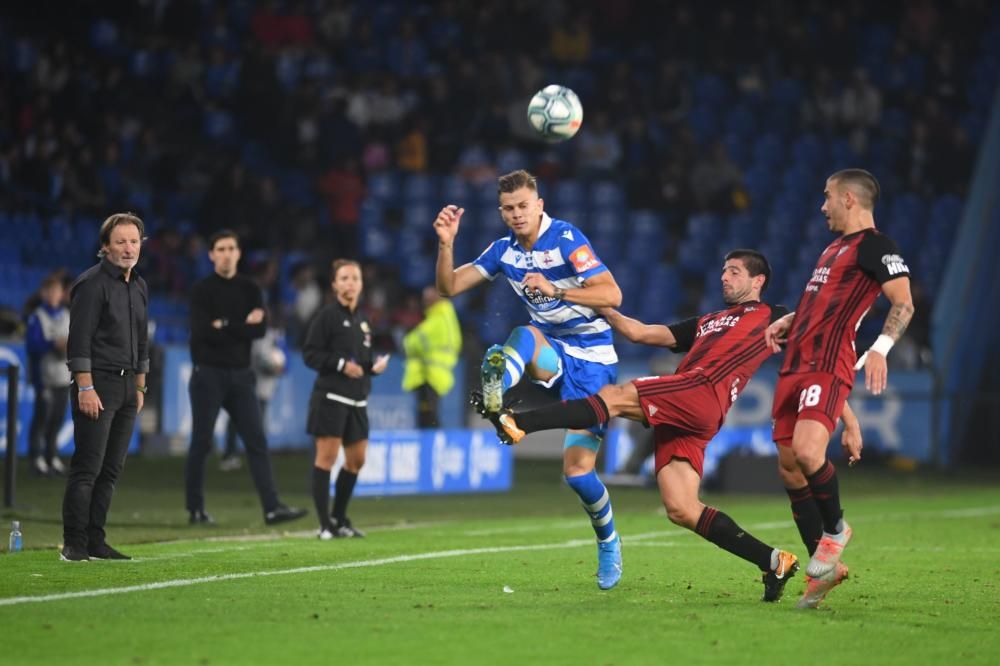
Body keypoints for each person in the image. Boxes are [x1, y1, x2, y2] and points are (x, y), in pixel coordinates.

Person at [485, 250, 808, 602]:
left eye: (733, 271)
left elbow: (811, 321)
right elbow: (639, 332)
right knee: (681, 507)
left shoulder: (772, 315)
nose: (724, 277)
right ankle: (773, 560)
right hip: (691, 410)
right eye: (723, 271)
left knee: (614, 395)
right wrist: (600, 306)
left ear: (758, 281)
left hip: (702, 389)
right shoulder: (708, 321)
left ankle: (518, 423)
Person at [435, 169, 625, 590]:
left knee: (577, 474)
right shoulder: (504, 251)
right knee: (525, 334)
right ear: (501, 213)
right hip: (550, 348)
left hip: (593, 359)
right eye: (509, 209)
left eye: (524, 206)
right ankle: (497, 393)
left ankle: (608, 540)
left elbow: (612, 295)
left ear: (539, 205)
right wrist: (446, 245)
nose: (517, 214)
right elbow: (448, 286)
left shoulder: (567, 240)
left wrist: (558, 291)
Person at [765, 169, 914, 609]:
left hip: (827, 364)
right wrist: (791, 319)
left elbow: (903, 302)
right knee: (791, 467)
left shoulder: (876, 245)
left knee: (810, 454)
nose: (822, 205)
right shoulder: (833, 248)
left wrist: (882, 348)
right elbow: (823, 306)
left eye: (827, 197)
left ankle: (835, 532)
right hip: (795, 366)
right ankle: (824, 571)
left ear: (849, 198)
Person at [186, 230, 306, 526]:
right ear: (212, 254)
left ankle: (272, 508)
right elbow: (202, 332)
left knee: (257, 441)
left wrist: (224, 325)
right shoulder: (202, 290)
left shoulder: (250, 289)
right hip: (208, 374)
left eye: (231, 248)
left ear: (238, 254)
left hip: (241, 375)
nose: (226, 253)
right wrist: (240, 325)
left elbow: (260, 331)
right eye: (221, 248)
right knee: (202, 442)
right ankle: (196, 509)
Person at [61, 212, 149, 561]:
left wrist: (140, 388)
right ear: (105, 248)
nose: (129, 248)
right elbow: (78, 341)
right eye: (121, 242)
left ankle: (96, 540)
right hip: (99, 384)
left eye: (134, 241)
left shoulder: (140, 285)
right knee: (88, 468)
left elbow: (141, 341)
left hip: (128, 389)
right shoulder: (92, 284)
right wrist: (85, 387)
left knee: (111, 470)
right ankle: (74, 544)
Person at [303, 259, 390, 539]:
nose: (350, 283)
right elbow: (310, 354)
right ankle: (324, 524)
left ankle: (339, 518)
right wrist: (341, 365)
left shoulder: (363, 321)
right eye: (344, 278)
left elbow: (360, 363)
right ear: (334, 285)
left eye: (355, 278)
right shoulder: (327, 316)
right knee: (326, 458)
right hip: (330, 397)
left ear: (361, 284)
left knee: (356, 460)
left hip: (357, 399)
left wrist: (371, 368)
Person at [220, 321, 287, 471]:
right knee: (241, 421)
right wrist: (274, 368)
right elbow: (258, 360)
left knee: (252, 424)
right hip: (249, 385)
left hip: (260, 387)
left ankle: (249, 457)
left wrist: (278, 368)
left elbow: (277, 358)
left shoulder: (272, 334)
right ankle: (231, 455)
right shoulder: (257, 335)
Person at [25, 272, 71, 476]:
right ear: (44, 294)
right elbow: (32, 346)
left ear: (61, 294)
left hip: (62, 375)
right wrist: (53, 344)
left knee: (58, 418)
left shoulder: (67, 316)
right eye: (50, 291)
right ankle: (36, 457)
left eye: (57, 291)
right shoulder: (37, 317)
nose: (53, 295)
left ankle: (52, 455)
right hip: (43, 376)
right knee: (42, 417)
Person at [401, 286, 462, 428]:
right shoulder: (441, 316)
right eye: (424, 298)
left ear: (438, 298)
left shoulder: (441, 316)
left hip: (431, 373)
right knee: (427, 413)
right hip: (429, 373)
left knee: (429, 415)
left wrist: (409, 342)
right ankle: (432, 442)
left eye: (428, 298)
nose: (425, 301)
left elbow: (414, 341)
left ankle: (431, 445)